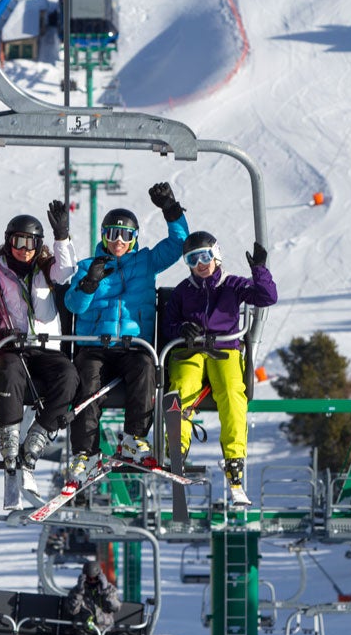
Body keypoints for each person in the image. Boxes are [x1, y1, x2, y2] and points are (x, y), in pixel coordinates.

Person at [63, 182, 189, 482]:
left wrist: (171, 210)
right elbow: (74, 305)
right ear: (103, 236)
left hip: (134, 346)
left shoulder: (146, 263)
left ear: (134, 239)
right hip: (95, 345)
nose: (118, 241)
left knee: (146, 368)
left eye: (125, 235)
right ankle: (85, 452)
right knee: (87, 380)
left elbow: (178, 244)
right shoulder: (86, 266)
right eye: (111, 234)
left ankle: (134, 439)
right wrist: (89, 284)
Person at [164, 232, 278, 506]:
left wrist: (260, 271)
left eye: (205, 256)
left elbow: (267, 297)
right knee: (181, 387)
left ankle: (234, 461)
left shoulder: (233, 285)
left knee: (231, 392)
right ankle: (176, 449)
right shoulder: (183, 291)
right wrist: (182, 329)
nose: (201, 263)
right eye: (193, 259)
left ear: (216, 254)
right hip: (189, 349)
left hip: (224, 349)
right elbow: (167, 326)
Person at [0, 201, 79, 504]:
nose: (24, 249)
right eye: (18, 241)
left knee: (68, 376)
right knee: (9, 372)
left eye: (31, 243)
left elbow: (66, 272)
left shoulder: (45, 269)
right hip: (13, 346)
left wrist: (62, 236)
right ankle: (11, 439)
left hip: (45, 346)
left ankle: (38, 437)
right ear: (8, 241)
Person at [65, 561, 128, 635]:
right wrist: (80, 591)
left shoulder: (109, 589)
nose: (92, 581)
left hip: (106, 631)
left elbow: (116, 607)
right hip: (84, 630)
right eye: (89, 579)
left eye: (95, 578)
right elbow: (72, 609)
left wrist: (105, 590)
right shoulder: (77, 591)